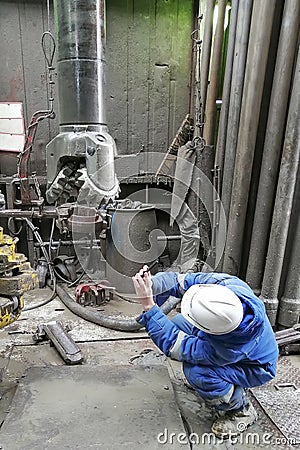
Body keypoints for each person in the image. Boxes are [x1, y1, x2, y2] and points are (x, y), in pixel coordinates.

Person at [132, 267, 279, 439]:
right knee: (179, 322)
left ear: (214, 332)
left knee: (199, 374)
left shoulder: (226, 349)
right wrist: (152, 284)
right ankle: (227, 384)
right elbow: (183, 281)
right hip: (244, 351)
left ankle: (241, 410)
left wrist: (149, 307)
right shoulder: (229, 286)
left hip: (257, 369)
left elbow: (175, 345)